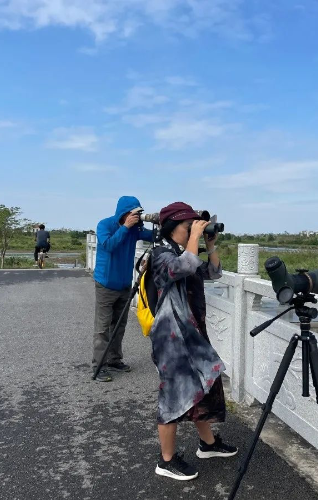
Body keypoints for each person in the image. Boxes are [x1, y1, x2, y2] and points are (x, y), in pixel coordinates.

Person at [147, 202, 237, 481]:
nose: (193, 230)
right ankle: (166, 461)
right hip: (172, 338)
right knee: (174, 395)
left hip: (193, 333)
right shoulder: (160, 254)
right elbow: (181, 268)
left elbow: (214, 272)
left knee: (205, 386)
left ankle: (208, 444)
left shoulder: (184, 252)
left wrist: (210, 245)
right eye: (189, 226)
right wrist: (195, 238)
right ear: (174, 227)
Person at [92, 196, 154, 382]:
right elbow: (109, 245)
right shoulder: (105, 225)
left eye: (138, 213)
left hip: (124, 285)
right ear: (124, 213)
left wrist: (164, 224)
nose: (136, 216)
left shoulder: (135, 229)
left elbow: (153, 237)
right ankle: (99, 366)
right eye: (133, 213)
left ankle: (114, 360)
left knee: (119, 326)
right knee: (103, 328)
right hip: (106, 285)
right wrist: (125, 227)